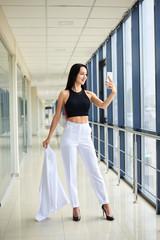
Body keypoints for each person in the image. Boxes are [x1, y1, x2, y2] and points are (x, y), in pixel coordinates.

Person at [43, 63, 116, 221]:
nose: (85, 77)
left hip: (85, 134)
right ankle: (75, 207)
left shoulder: (89, 94)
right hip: (70, 133)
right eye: (82, 73)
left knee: (94, 171)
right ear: (74, 74)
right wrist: (49, 136)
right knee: (71, 173)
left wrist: (113, 92)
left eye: (86, 74)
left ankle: (106, 204)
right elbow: (57, 116)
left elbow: (103, 105)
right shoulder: (64, 94)